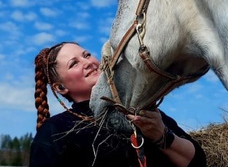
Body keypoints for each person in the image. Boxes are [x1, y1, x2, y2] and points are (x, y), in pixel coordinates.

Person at [29, 41, 207, 167]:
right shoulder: (55, 131)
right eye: (74, 63)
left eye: (87, 55)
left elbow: (197, 161)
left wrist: (162, 136)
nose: (87, 62)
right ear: (60, 87)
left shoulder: (142, 111)